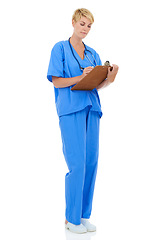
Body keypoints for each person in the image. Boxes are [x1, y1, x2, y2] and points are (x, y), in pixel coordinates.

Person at [47, 8, 119, 234]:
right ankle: (70, 219)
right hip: (70, 109)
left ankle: (83, 215)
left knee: (91, 163)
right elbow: (57, 81)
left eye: (89, 26)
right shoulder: (60, 48)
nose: (85, 29)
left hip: (92, 108)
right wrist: (82, 76)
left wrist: (111, 76)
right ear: (73, 22)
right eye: (82, 24)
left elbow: (98, 85)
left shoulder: (92, 53)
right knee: (77, 164)